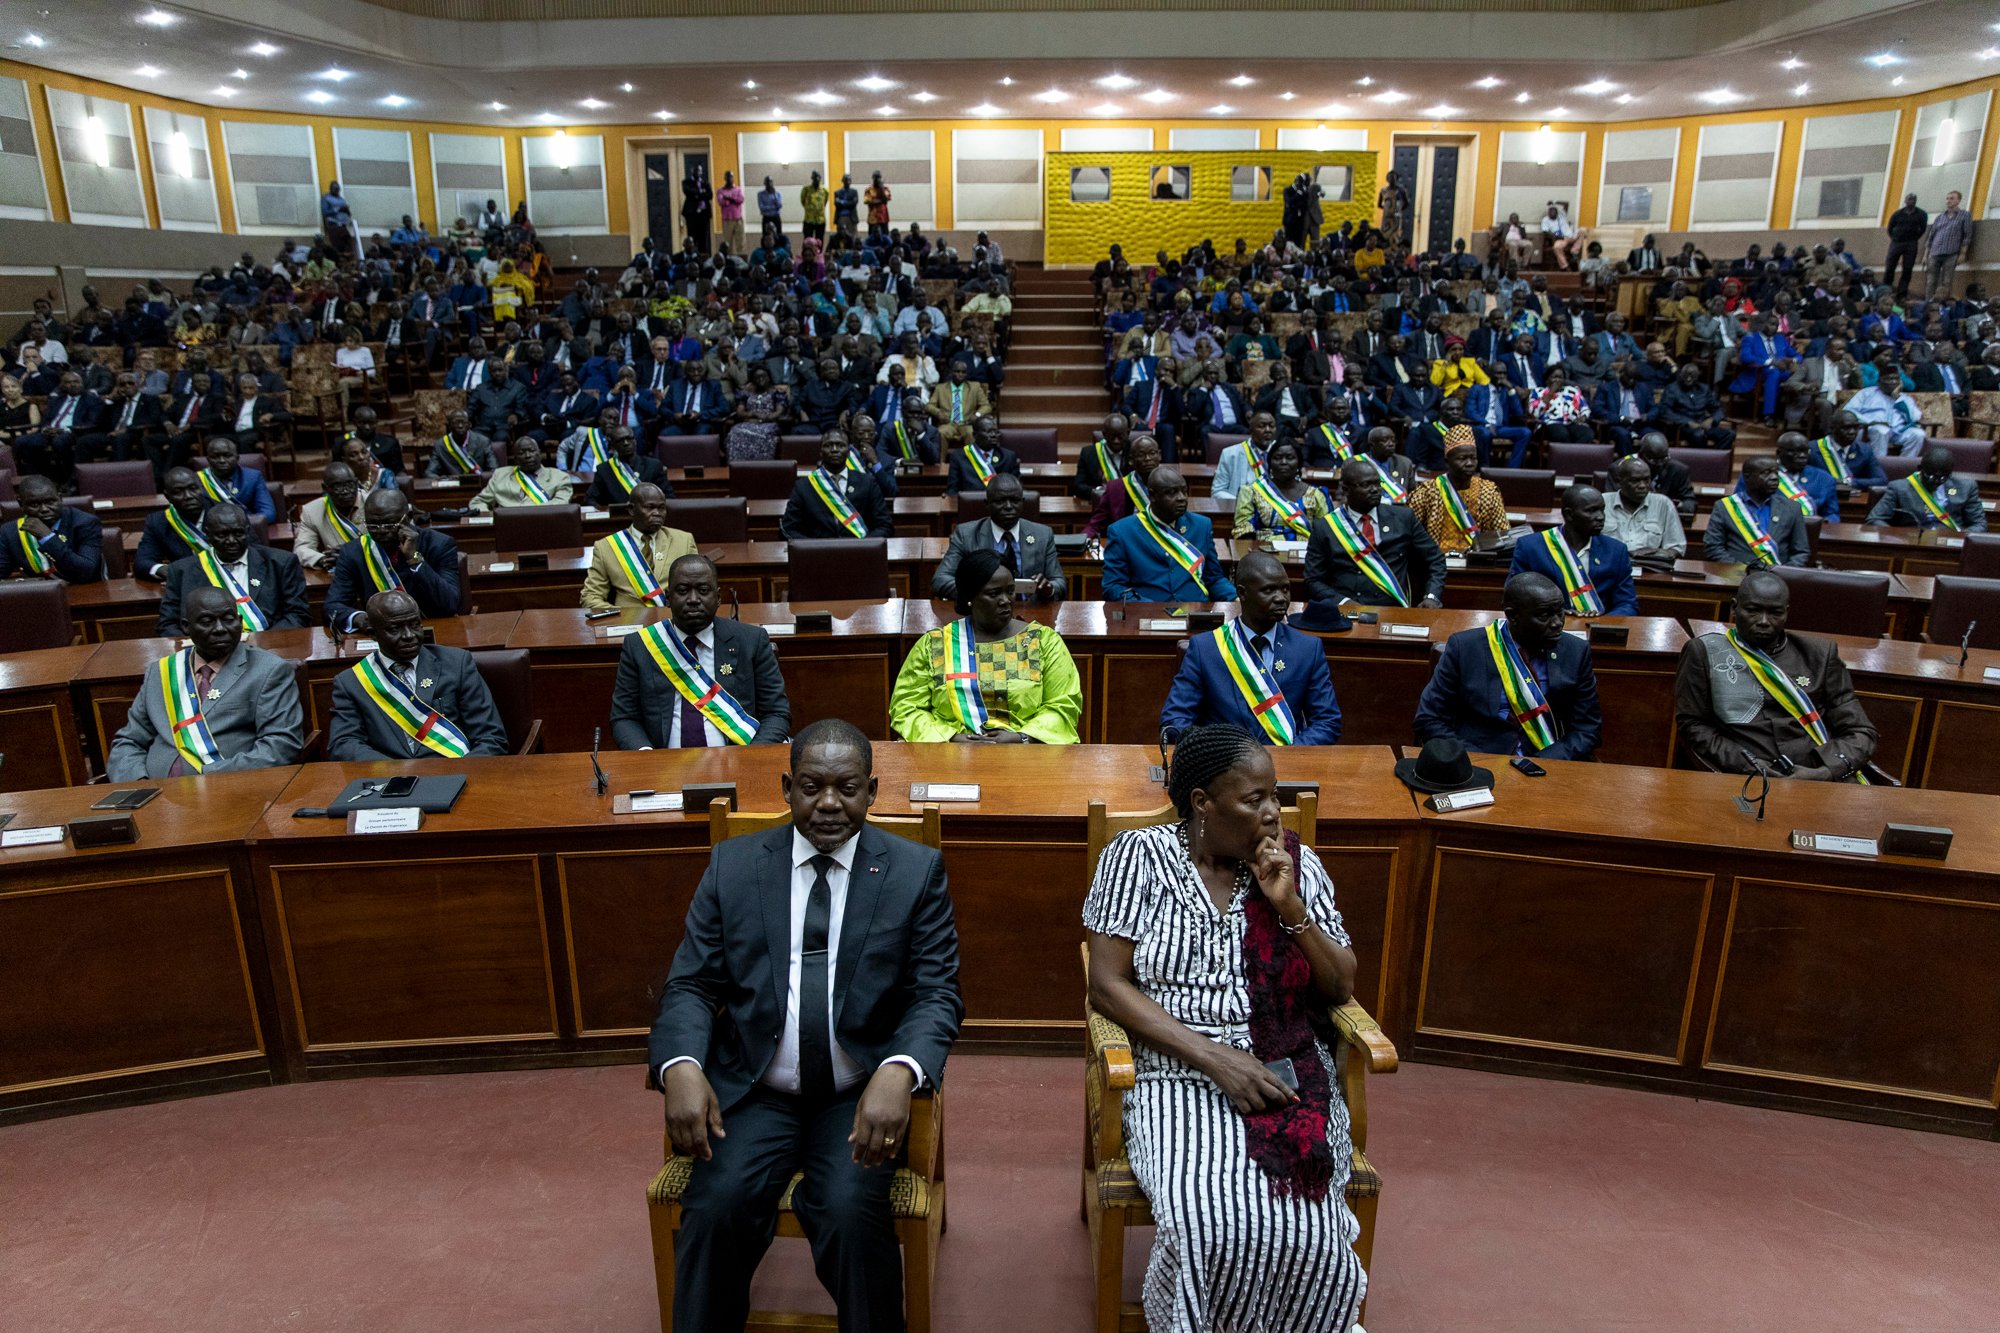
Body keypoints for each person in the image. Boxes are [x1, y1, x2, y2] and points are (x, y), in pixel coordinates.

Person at [652, 717, 963, 1331]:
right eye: (811, 787)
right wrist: (681, 1065)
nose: (828, 804)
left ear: (872, 792)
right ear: (786, 787)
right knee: (716, 1209)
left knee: (849, 1216)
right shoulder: (734, 867)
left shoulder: (913, 872)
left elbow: (937, 993)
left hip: (856, 1097)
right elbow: (691, 984)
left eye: (847, 788)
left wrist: (900, 1071)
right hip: (754, 1091)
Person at [1084, 724, 1368, 1333]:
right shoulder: (1137, 858)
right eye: (1254, 800)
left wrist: (1290, 908)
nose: (1272, 815)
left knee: (1312, 1231)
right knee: (1209, 1223)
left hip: (1284, 1062)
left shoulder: (1295, 863)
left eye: (1276, 797)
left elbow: (1341, 987)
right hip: (1174, 1067)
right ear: (1202, 804)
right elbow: (1107, 985)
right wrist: (1215, 1059)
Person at [1674, 570, 1877, 780]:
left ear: (1786, 612)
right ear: (1734, 608)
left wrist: (1826, 772)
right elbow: (1693, 724)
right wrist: (1745, 764)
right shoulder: (1705, 651)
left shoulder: (1819, 655)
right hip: (1744, 775)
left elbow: (1861, 731)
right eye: (1753, 611)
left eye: (1775, 613)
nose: (1763, 621)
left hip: (1819, 776)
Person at [106, 585, 305, 780]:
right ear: (186, 627)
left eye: (228, 619)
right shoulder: (162, 671)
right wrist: (138, 783)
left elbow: (281, 745)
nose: (220, 629)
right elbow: (129, 741)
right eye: (207, 621)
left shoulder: (269, 670)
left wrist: (205, 778)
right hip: (155, 796)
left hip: (229, 792)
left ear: (240, 621)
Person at [892, 549, 1081, 744]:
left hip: (1025, 756)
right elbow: (906, 707)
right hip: (951, 758)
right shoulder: (935, 645)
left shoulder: (1043, 641)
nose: (1005, 600)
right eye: (993, 593)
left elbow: (1063, 704)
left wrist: (1022, 737)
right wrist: (951, 738)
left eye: (1010, 591)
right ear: (970, 597)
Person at [1415, 572, 1603, 761]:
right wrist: (1475, 761)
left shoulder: (1576, 651)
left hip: (1553, 761)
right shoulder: (1466, 648)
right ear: (1512, 615)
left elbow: (1588, 728)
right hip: (1479, 763)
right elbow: (1429, 719)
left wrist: (1546, 761)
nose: (1557, 623)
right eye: (1544, 615)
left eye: (1560, 612)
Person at [608, 553, 790, 748]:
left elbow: (777, 713)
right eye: (683, 590)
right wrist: (647, 757)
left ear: (718, 598)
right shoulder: (640, 646)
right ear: (668, 598)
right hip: (663, 767)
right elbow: (625, 717)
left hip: (737, 760)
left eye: (703, 590)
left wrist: (750, 757)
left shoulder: (751, 640)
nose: (693, 599)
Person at [1161, 551, 1341, 746]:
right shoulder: (1206, 648)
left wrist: (1290, 756)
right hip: (1223, 766)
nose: (1281, 598)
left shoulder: (1308, 648)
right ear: (1243, 593)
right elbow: (1175, 720)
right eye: (1269, 590)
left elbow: (1327, 721)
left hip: (1288, 764)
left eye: (1285, 589)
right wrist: (1218, 753)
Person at [1304, 458, 1445, 608]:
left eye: (1377, 483)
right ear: (1346, 490)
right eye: (1366, 485)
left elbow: (1435, 559)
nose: (1375, 489)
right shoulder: (1325, 527)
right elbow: (1313, 579)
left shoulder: (1403, 518)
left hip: (1393, 608)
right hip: (1346, 610)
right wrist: (1342, 602)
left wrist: (1432, 596)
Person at [157, 503, 309, 636]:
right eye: (222, 535)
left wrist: (263, 644)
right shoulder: (181, 571)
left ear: (247, 531)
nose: (231, 541)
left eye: (238, 533)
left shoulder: (281, 563)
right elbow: (168, 625)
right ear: (208, 535)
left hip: (269, 650)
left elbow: (297, 614)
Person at [325, 489, 463, 631]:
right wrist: (360, 618)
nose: (381, 531)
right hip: (384, 636)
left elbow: (450, 603)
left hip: (433, 628)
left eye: (389, 524)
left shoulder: (439, 544)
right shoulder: (354, 551)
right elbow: (333, 606)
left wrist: (413, 558)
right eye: (372, 525)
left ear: (408, 517)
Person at [1102, 466, 1237, 603]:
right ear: (1152, 496)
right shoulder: (1122, 531)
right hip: (1147, 615)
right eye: (1171, 493)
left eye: (1184, 491)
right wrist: (1146, 607)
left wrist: (1235, 598)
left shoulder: (1202, 526)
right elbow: (1113, 587)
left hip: (1195, 612)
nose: (1182, 498)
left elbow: (1214, 578)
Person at [1506, 484, 1636, 617]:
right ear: (1569, 514)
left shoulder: (1616, 550)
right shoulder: (1531, 547)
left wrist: (1601, 623)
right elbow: (1514, 597)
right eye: (1591, 511)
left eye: (1602, 510)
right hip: (1546, 629)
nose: (1600, 517)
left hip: (1599, 628)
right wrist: (1553, 616)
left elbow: (1627, 604)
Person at [930, 471, 1064, 601]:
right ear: (987, 504)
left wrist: (1049, 589)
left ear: (1022, 502)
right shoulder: (966, 534)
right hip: (985, 613)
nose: (1008, 506)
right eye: (1000, 501)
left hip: (1031, 611)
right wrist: (979, 593)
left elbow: (1059, 582)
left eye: (1015, 500)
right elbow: (940, 580)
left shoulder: (1043, 534)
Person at [581, 483, 700, 613]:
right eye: (650, 507)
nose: (657, 513)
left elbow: (698, 588)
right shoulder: (606, 547)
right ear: (631, 509)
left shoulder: (683, 540)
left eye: (662, 508)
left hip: (673, 620)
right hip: (628, 623)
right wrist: (624, 617)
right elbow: (590, 597)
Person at [781, 432, 894, 539]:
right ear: (820, 452)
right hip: (818, 555)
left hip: (860, 553)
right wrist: (812, 547)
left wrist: (865, 545)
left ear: (849, 452)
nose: (834, 450)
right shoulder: (804, 486)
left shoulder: (867, 482)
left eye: (840, 445)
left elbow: (884, 525)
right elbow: (788, 529)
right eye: (829, 445)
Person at [1706, 457, 1811, 567]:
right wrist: (1739, 569)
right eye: (1766, 473)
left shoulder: (1792, 507)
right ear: (1747, 477)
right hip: (1736, 576)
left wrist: (1784, 573)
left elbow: (1801, 552)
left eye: (1776, 472)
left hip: (1779, 578)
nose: (1774, 478)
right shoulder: (1725, 506)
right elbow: (1713, 547)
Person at [1408, 438, 1507, 554]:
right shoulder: (1427, 491)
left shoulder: (1489, 491)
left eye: (1473, 458)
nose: (1469, 463)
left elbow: (1502, 534)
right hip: (1435, 560)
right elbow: (1410, 532)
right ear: (1447, 461)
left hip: (1476, 559)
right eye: (1462, 458)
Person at [1865, 444, 1988, 531]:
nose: (1935, 481)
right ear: (1920, 469)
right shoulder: (1899, 488)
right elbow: (1875, 519)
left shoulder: (1966, 487)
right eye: (1930, 475)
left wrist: (1962, 539)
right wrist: (1895, 536)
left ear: (1949, 474)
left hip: (1951, 542)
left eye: (1942, 477)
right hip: (1912, 541)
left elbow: (1979, 523)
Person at [1232, 437, 1329, 541]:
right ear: (1270, 463)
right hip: (1264, 552)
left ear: (1299, 463)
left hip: (1307, 553)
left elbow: (1325, 531)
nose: (1283, 462)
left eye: (1290, 458)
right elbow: (1243, 529)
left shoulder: (1316, 494)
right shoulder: (1252, 491)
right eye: (1277, 458)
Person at [1603, 455, 1687, 570]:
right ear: (1619, 481)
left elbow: (1676, 547)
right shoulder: (1602, 503)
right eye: (1635, 481)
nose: (1642, 486)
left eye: (1646, 480)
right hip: (1608, 569)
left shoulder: (1663, 503)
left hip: (1649, 570)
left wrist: (1654, 555)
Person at [1741, 432, 1840, 524]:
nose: (1802, 456)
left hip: (1810, 533)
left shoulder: (1824, 478)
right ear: (1779, 452)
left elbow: (1832, 514)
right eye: (1795, 451)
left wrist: (1827, 522)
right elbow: (1741, 505)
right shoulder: (1756, 474)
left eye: (1805, 451)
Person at [136, 467, 214, 581]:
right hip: (185, 584)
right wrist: (164, 570)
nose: (188, 496)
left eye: (193, 489)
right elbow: (142, 562)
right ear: (168, 497)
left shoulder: (226, 514)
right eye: (179, 492)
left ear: (202, 488)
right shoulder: (159, 522)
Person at [1084, 434, 1162, 540]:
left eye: (1152, 453)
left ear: (1160, 456)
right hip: (1127, 543)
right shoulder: (1115, 487)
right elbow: (1096, 524)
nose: (1147, 459)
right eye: (1141, 454)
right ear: (1131, 460)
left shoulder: (1172, 484)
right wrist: (1082, 540)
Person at [469, 436, 576, 511]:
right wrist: (492, 517)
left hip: (545, 525)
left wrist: (526, 515)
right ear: (515, 458)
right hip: (507, 527)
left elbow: (562, 505)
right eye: (521, 453)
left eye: (532, 450)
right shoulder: (500, 475)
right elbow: (478, 502)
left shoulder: (559, 477)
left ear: (539, 453)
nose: (528, 455)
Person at [193, 436, 277, 524]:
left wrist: (234, 523)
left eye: (227, 456)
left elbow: (268, 514)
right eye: (215, 457)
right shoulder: (198, 480)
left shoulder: (253, 477)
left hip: (246, 530)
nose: (222, 460)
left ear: (237, 457)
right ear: (208, 459)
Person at [1846, 371, 1928, 457]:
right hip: (1871, 429)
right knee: (1882, 430)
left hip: (1898, 431)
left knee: (1918, 434)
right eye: (1889, 379)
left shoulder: (1904, 398)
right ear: (1879, 382)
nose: (1893, 382)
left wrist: (1898, 399)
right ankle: (1879, 465)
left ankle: (1904, 465)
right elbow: (1849, 411)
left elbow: (1915, 417)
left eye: (1896, 379)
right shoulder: (1866, 393)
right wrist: (1871, 422)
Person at [585, 426, 669, 508]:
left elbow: (668, 496)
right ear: (613, 445)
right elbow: (590, 499)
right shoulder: (604, 470)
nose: (626, 443)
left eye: (629, 438)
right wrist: (604, 513)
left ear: (635, 441)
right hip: (617, 519)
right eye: (620, 440)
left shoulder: (653, 466)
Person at [943, 414, 1020, 496]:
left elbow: (1017, 489)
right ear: (975, 435)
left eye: (996, 431)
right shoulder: (959, 456)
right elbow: (952, 490)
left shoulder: (1008, 456)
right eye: (988, 432)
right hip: (970, 505)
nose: (993, 435)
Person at [1210, 411, 1278, 502]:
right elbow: (1217, 492)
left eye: (1271, 426)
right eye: (1262, 426)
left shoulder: (1283, 453)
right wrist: (1244, 503)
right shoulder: (1230, 454)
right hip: (1242, 511)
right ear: (1251, 430)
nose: (1268, 430)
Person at [1808, 410, 1886, 489]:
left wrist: (1848, 482)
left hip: (1854, 499)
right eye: (1846, 428)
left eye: (1856, 427)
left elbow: (1881, 480)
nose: (1852, 432)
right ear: (1832, 428)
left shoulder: (1864, 450)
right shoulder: (1813, 449)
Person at [927, 361, 991, 452]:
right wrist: (938, 413)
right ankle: (940, 463)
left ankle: (972, 463)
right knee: (941, 433)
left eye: (963, 372)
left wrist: (977, 415)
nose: (960, 374)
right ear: (951, 372)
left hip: (967, 423)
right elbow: (929, 405)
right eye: (957, 371)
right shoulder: (940, 388)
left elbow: (986, 406)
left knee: (971, 433)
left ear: (966, 374)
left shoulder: (975, 387)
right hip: (948, 424)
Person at [1920, 190, 1972, 299]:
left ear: (1958, 200)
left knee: (1947, 281)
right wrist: (1926, 255)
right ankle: (1929, 302)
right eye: (1947, 198)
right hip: (1935, 252)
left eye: (1952, 198)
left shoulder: (1964, 215)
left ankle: (1943, 304)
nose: (1949, 201)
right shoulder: (1940, 217)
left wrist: (1963, 253)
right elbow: (1931, 236)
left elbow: (1967, 236)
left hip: (1951, 253)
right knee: (1931, 281)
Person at [425, 408, 497, 478]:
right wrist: (443, 480)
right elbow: (429, 473)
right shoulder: (440, 445)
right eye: (456, 423)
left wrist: (482, 478)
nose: (460, 426)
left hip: (479, 487)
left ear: (469, 425)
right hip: (454, 488)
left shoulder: (483, 442)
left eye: (463, 422)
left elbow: (494, 471)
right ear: (449, 426)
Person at [716, 172, 746, 255]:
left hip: (738, 219)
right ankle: (729, 261)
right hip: (727, 220)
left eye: (731, 177)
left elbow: (741, 200)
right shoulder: (720, 191)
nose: (730, 179)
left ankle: (741, 260)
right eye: (728, 177)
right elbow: (721, 202)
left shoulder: (738, 189)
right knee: (728, 243)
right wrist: (733, 200)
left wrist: (729, 198)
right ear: (725, 178)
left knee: (741, 242)